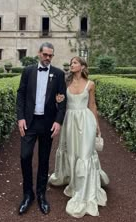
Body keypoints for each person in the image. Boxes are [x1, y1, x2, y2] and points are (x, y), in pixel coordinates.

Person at [49, 56, 109, 218]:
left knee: (84, 154)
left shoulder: (91, 84)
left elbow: (92, 105)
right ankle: (72, 180)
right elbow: (60, 102)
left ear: (82, 66)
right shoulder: (65, 83)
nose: (72, 65)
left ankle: (84, 189)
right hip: (69, 121)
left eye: (75, 63)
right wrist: (58, 100)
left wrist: (97, 126)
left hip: (86, 121)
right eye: (71, 63)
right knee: (71, 152)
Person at [16, 42, 67, 215]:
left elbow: (62, 100)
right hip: (29, 123)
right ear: (39, 53)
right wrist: (20, 118)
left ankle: (41, 195)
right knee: (25, 156)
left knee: (44, 160)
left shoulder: (59, 74)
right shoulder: (28, 71)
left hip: (47, 123)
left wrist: (58, 121)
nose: (47, 58)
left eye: (50, 55)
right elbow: (21, 94)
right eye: (45, 54)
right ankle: (27, 194)